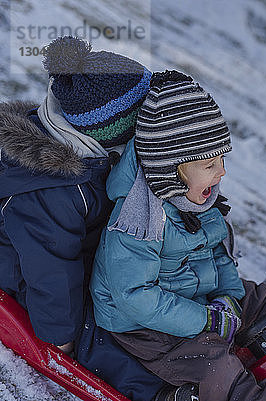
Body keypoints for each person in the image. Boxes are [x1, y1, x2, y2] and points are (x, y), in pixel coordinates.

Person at [90, 70, 266, 401]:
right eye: (209, 164)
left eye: (221, 159)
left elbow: (219, 255)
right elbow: (135, 297)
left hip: (195, 301)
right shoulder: (136, 223)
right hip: (146, 328)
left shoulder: (197, 200)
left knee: (260, 300)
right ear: (170, 169)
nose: (221, 172)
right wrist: (206, 320)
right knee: (214, 364)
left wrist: (229, 299)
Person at [0, 36, 166, 401]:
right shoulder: (52, 189)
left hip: (84, 255)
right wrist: (62, 336)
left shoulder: (94, 148)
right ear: (117, 125)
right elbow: (51, 269)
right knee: (102, 337)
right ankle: (157, 393)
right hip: (28, 276)